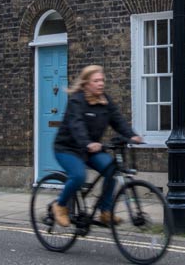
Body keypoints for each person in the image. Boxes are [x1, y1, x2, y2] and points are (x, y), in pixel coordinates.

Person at [52, 64, 142, 227]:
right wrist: (87, 143)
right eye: (96, 81)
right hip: (67, 149)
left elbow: (118, 120)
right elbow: (76, 124)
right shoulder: (76, 101)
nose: (100, 83)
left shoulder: (105, 101)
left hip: (90, 149)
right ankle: (60, 205)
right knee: (79, 176)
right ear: (86, 83)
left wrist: (132, 135)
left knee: (111, 170)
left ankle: (105, 211)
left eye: (102, 80)